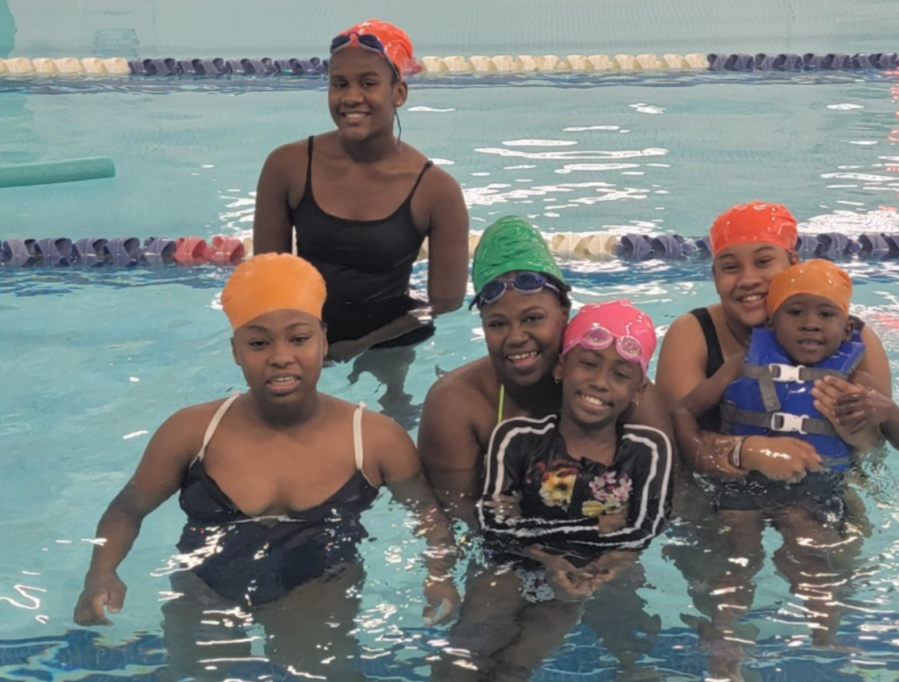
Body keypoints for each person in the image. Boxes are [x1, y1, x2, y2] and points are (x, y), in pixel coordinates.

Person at [73, 253, 460, 682]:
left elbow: (426, 512)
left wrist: (439, 574)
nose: (281, 357)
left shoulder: (374, 437)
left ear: (324, 341)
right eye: (259, 343)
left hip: (321, 582)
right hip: (207, 584)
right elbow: (129, 506)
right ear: (236, 351)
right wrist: (101, 572)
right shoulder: (193, 431)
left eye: (299, 339)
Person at [419, 216, 669, 677]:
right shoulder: (457, 404)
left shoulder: (624, 390)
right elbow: (459, 513)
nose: (516, 337)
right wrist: (542, 556)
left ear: (565, 315)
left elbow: (660, 503)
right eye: (498, 323)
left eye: (533, 318)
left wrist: (605, 559)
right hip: (503, 550)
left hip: (597, 544)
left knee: (628, 631)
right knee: (477, 633)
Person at [674, 259, 899, 669]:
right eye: (796, 312)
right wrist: (701, 456)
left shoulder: (856, 383)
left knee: (811, 557)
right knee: (737, 559)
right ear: (772, 323)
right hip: (743, 485)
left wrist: (888, 411)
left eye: (825, 314)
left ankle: (826, 640)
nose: (810, 324)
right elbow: (684, 411)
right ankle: (725, 648)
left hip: (812, 490)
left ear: (847, 329)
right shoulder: (741, 365)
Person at [252, 19, 469, 426]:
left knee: (393, 421)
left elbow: (446, 301)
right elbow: (268, 277)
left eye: (368, 83)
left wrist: (362, 344)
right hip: (302, 333)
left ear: (398, 92)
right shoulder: (288, 165)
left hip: (391, 333)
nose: (351, 97)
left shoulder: (435, 190)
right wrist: (301, 339)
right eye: (339, 84)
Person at [656, 201, 899, 478]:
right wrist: (745, 449)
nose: (748, 279)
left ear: (792, 264)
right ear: (714, 277)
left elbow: (883, 456)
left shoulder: (856, 338)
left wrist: (866, 442)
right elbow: (668, 442)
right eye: (730, 267)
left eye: (763, 262)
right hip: (722, 488)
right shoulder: (694, 333)